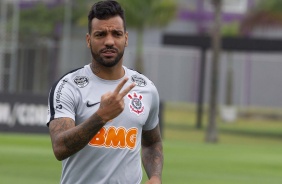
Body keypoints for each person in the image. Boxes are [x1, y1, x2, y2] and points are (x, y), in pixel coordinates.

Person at [46, 0, 163, 183]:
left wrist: (155, 177)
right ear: (88, 40)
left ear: (126, 38)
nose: (109, 41)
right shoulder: (68, 86)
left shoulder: (146, 88)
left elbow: (152, 142)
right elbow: (60, 147)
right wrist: (101, 116)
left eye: (116, 34)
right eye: (100, 34)